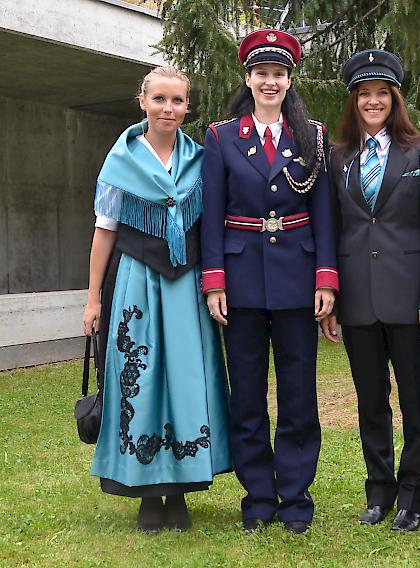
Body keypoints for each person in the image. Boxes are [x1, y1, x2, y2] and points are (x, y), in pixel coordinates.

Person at [200, 29, 338, 535]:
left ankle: (296, 497)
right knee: (248, 395)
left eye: (278, 74)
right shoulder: (220, 137)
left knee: (299, 393)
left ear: (289, 79)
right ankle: (258, 495)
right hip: (239, 282)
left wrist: (326, 278)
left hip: (299, 279)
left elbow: (323, 213)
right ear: (248, 78)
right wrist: (214, 280)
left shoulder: (313, 137)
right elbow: (210, 213)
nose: (269, 82)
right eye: (261, 73)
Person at [82, 66, 231, 533]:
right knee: (138, 378)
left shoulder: (200, 160)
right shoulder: (119, 162)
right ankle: (147, 490)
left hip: (185, 285)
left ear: (188, 107)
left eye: (178, 101)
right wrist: (92, 300)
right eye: (161, 99)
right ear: (142, 102)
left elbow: (212, 229)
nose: (169, 109)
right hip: (136, 282)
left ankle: (181, 487)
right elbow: (104, 233)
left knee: (189, 379)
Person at [320, 50, 420, 532]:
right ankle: (379, 493)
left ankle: (415, 496)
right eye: (363, 94)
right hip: (356, 300)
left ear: (396, 99)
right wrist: (330, 294)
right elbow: (331, 230)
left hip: (411, 300)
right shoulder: (337, 158)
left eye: (382, 93)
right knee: (370, 401)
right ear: (353, 102)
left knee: (417, 403)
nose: (372, 102)